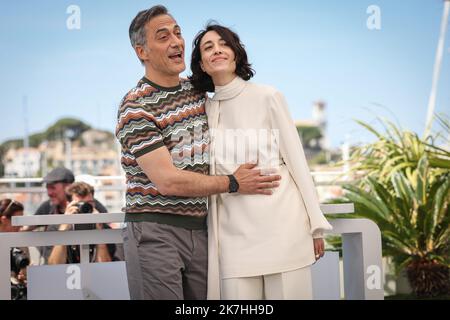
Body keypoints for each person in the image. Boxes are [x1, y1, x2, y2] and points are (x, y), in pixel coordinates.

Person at [116, 5, 281, 300]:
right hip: (154, 233)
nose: (176, 42)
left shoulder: (196, 91)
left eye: (178, 33)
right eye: (163, 36)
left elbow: (235, 100)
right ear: (142, 52)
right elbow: (167, 180)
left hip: (203, 231)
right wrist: (233, 182)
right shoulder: (135, 107)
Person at [190, 24, 333, 300]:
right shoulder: (201, 111)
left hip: (284, 229)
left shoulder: (268, 96)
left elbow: (297, 163)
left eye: (224, 44)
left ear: (236, 54)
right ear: (202, 65)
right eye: (208, 47)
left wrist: (316, 226)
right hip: (232, 241)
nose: (217, 50)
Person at [47, 182, 115, 264]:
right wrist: (64, 226)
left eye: (88, 203)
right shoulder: (55, 228)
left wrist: (99, 233)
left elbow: (106, 269)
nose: (84, 208)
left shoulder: (104, 229)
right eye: (80, 204)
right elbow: (54, 266)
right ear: (69, 205)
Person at [0, 199, 29, 300]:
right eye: (17, 221)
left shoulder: (21, 243)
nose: (21, 226)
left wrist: (24, 275)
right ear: (4, 220)